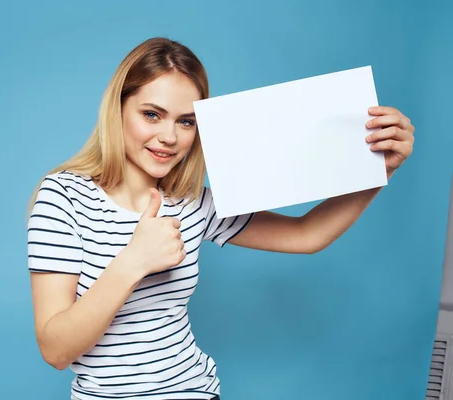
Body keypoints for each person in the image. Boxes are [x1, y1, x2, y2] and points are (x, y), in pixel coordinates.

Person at [25, 37, 415, 400]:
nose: (169, 137)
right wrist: (133, 261)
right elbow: (56, 349)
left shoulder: (192, 202)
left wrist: (379, 169)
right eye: (151, 114)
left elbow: (305, 234)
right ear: (118, 110)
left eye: (185, 121)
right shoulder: (64, 197)